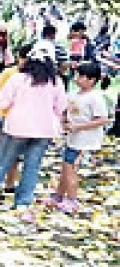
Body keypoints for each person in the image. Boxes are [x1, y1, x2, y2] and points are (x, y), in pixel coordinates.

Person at [0, 40, 67, 214]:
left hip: (17, 128)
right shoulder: (56, 82)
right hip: (43, 130)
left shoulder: (18, 78)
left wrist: (14, 111)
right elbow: (61, 107)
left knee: (3, 163)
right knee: (32, 166)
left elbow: (2, 102)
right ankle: (23, 202)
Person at [48, 62, 109, 213]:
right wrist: (64, 122)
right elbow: (66, 111)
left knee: (70, 169)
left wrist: (78, 127)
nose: (77, 79)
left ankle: (72, 200)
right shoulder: (74, 94)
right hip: (72, 138)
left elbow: (102, 119)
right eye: (77, 75)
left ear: (92, 80)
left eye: (81, 76)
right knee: (65, 167)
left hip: (85, 141)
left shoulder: (95, 98)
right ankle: (58, 196)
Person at [0, 43, 31, 194]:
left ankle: (10, 184)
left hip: (22, 121)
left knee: (16, 155)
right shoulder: (9, 73)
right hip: (6, 117)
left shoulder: (34, 77)